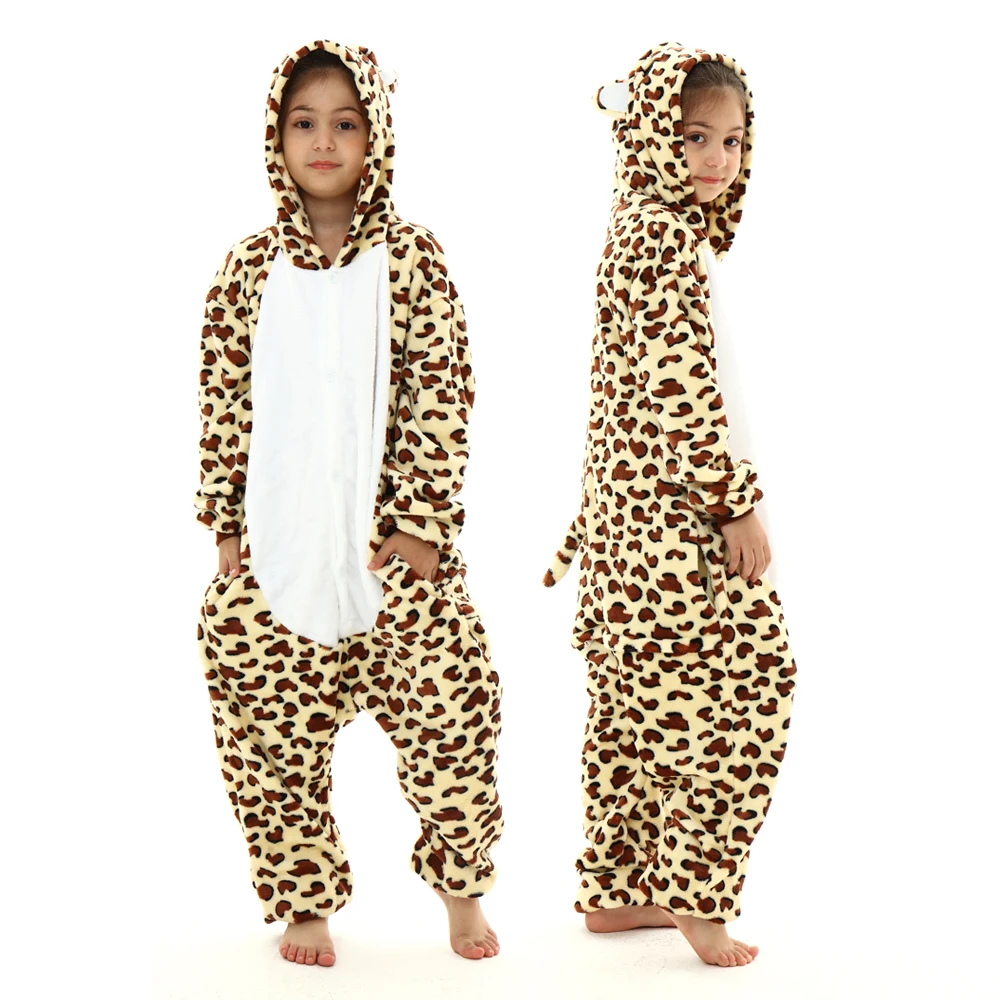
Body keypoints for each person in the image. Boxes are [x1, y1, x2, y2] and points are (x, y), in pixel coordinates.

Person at [193, 39, 502, 968]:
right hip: (281, 552)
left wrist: (422, 524)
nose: (323, 142)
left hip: (395, 559)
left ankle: (462, 892)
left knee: (454, 723)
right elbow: (223, 401)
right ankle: (303, 901)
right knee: (267, 733)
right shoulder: (247, 271)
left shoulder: (411, 260)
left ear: (377, 136)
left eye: (345, 123)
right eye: (304, 123)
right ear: (276, 136)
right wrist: (226, 525)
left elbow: (443, 389)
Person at [542, 41, 797, 968]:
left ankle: (618, 889)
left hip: (627, 530)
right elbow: (680, 389)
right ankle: (696, 895)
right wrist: (734, 506)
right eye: (692, 137)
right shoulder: (660, 236)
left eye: (731, 140)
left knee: (630, 709)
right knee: (747, 692)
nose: (715, 159)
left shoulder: (641, 228)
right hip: (671, 532)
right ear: (650, 135)